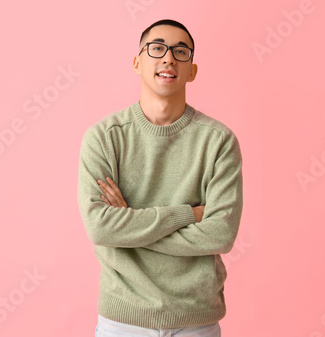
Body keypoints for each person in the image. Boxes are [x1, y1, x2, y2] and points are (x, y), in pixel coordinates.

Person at [77, 19, 243, 337]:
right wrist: (187, 214)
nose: (168, 58)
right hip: (122, 320)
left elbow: (220, 234)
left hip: (197, 319)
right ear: (138, 62)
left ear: (192, 70)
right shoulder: (104, 137)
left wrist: (128, 225)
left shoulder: (219, 141)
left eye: (181, 52)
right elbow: (100, 228)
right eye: (157, 49)